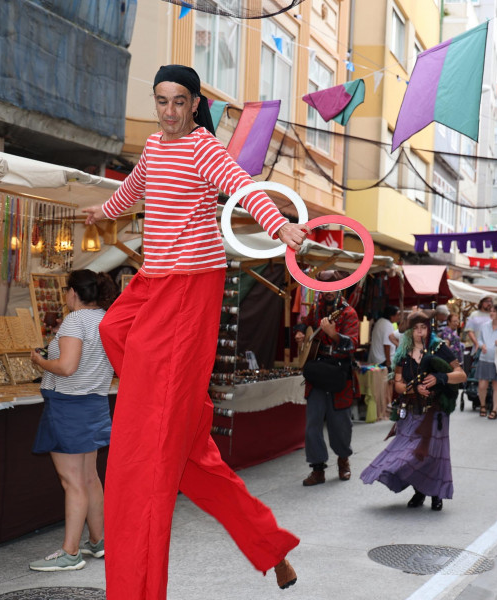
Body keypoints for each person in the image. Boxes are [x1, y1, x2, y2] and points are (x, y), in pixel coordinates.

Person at [82, 65, 303, 597]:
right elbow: (131, 193)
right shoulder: (155, 146)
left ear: (194, 103)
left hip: (189, 291)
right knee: (113, 329)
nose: (169, 112)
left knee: (145, 465)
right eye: (161, 101)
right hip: (152, 282)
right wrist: (99, 211)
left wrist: (282, 227)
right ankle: (272, 548)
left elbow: (243, 189)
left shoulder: (204, 149)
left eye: (179, 102)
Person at [28, 270, 118, 572]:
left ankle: (70, 553)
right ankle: (97, 541)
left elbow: (66, 367)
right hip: (94, 403)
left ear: (74, 293)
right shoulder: (106, 318)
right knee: (90, 478)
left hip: (69, 406)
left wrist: (40, 361)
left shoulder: (76, 321)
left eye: (67, 290)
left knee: (73, 482)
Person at [360, 311, 466, 512]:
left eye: (423, 327)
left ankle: (435, 494)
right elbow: (398, 384)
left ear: (429, 328)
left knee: (434, 452)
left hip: (435, 412)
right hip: (409, 410)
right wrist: (413, 388)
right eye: (415, 328)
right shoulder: (403, 351)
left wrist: (439, 378)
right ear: (409, 330)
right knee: (408, 453)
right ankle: (420, 490)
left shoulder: (439, 348)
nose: (419, 332)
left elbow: (461, 374)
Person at [294, 272, 360, 486]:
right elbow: (304, 323)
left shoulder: (349, 313)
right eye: (324, 288)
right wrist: (301, 332)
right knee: (312, 424)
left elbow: (353, 345)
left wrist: (333, 335)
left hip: (339, 373)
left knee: (340, 424)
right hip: (317, 371)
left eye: (332, 287)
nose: (328, 292)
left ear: (340, 287)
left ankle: (343, 460)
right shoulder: (317, 308)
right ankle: (318, 468)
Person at [368, 305, 401, 421]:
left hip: (376, 358)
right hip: (382, 359)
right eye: (398, 314)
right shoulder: (387, 325)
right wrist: (388, 362)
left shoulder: (380, 322)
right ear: (391, 315)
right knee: (386, 387)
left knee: (380, 387)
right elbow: (387, 344)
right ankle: (385, 409)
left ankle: (383, 408)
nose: (399, 317)